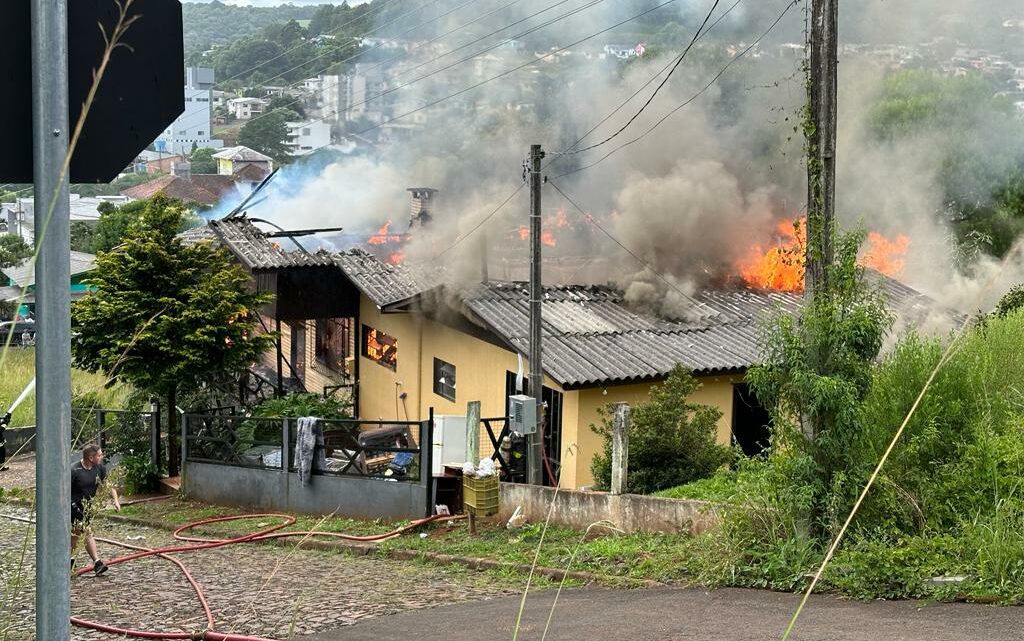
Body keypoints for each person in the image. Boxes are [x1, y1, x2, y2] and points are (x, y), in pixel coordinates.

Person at [71, 444, 120, 575]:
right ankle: (97, 562)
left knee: (75, 534)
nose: (102, 457)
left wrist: (115, 500)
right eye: (99, 455)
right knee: (87, 531)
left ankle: (69, 560)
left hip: (87, 506)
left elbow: (108, 484)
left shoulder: (99, 468)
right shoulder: (74, 470)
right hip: (73, 506)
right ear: (91, 457)